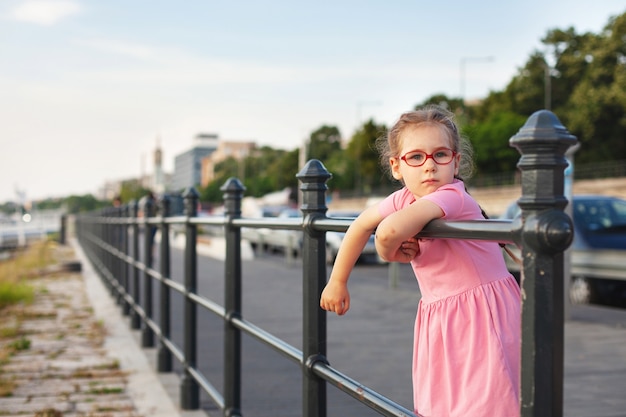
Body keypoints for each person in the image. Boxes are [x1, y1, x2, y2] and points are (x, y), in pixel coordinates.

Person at [320, 105, 520, 417]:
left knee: (485, 403)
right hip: (443, 316)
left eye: (440, 155)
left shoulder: (453, 196)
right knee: (445, 403)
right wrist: (337, 280)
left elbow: (388, 232)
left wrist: (391, 253)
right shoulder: (405, 198)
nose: (429, 167)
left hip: (482, 315)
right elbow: (361, 224)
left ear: (455, 161)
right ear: (396, 166)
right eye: (416, 157)